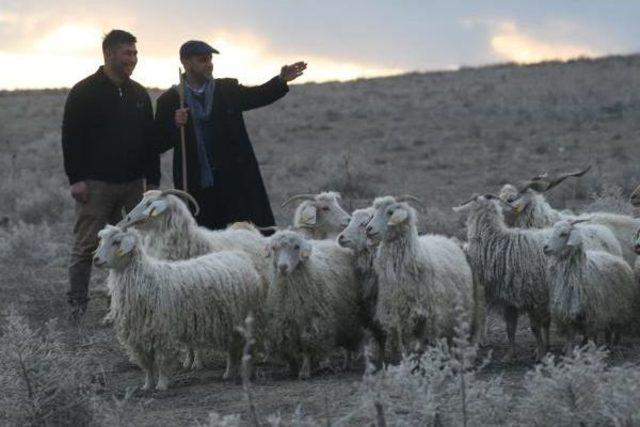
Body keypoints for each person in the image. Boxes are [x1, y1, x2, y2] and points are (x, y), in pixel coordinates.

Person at [61, 29, 160, 322]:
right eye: (127, 53)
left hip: (133, 185)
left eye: (135, 54)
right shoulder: (84, 92)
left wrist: (152, 181)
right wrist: (75, 179)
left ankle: (124, 306)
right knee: (86, 246)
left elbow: (149, 141)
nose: (133, 59)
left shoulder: (139, 94)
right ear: (108, 54)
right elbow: (71, 138)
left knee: (132, 245)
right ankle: (77, 307)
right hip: (95, 185)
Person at [155, 40, 306, 230]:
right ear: (186, 63)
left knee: (244, 234)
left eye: (210, 59)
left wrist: (280, 80)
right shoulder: (171, 100)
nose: (209, 63)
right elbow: (158, 143)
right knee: (207, 240)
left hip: (235, 180)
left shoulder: (227, 90)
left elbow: (257, 95)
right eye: (202, 59)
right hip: (197, 184)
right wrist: (174, 124)